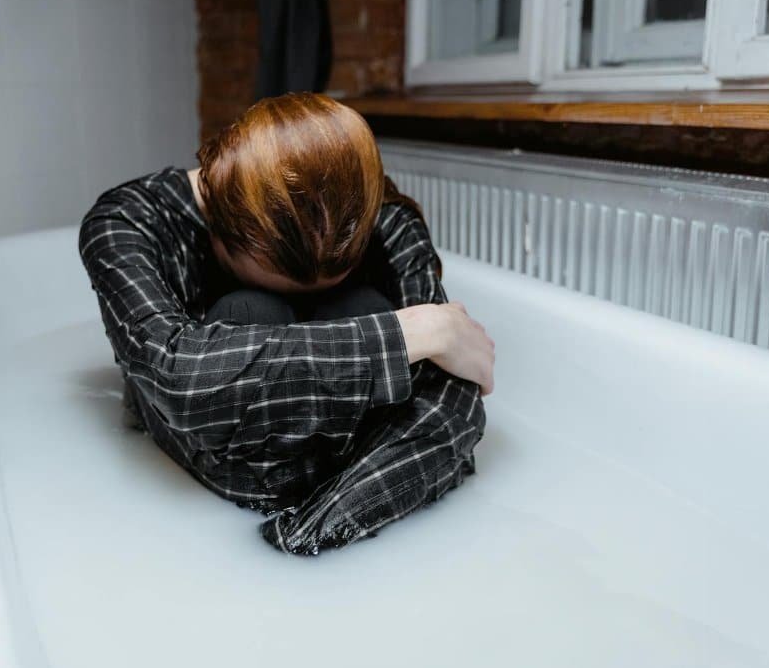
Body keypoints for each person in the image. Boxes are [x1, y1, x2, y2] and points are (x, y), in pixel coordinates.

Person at [78, 93, 494, 555]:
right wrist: (415, 333)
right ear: (217, 220)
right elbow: (182, 381)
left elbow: (454, 403)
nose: (304, 302)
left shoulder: (378, 214)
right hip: (225, 451)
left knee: (361, 307)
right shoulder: (128, 222)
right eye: (288, 282)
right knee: (253, 314)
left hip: (288, 495)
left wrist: (309, 532)